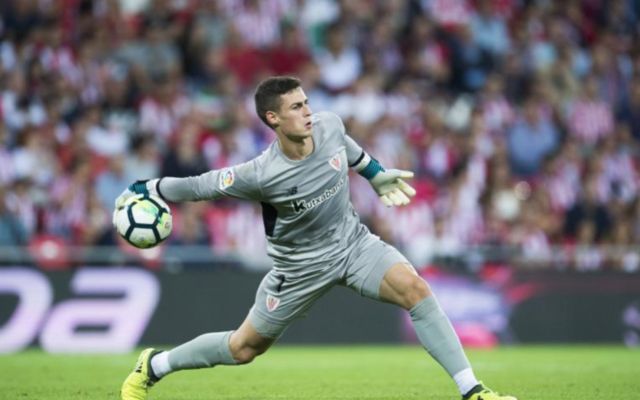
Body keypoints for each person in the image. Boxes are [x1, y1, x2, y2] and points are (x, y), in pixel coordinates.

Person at [117, 76, 516, 400]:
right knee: (243, 349)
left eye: (306, 102)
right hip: (299, 269)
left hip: (354, 244)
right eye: (296, 107)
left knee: (416, 290)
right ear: (273, 119)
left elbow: (346, 147)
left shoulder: (329, 124)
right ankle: (154, 365)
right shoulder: (260, 174)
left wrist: (375, 173)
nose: (308, 112)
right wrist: (149, 186)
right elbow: (200, 186)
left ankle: (473, 391)